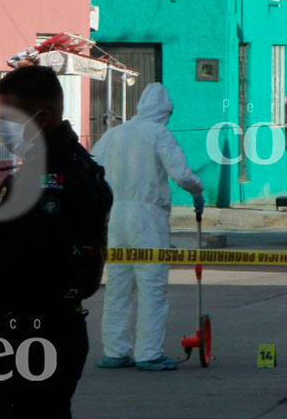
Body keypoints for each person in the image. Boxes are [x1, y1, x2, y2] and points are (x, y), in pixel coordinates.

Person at [0, 66, 113, 419]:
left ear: (42, 117)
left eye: (8, 117)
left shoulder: (47, 177)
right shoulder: (69, 163)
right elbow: (31, 237)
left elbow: (19, 260)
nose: (2, 127)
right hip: (45, 328)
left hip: (35, 331)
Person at [91, 83, 205, 371]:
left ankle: (116, 350)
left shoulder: (113, 135)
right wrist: (197, 190)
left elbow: (92, 170)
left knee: (118, 285)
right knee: (152, 285)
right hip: (148, 218)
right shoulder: (159, 134)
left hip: (115, 215)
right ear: (165, 112)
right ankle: (148, 353)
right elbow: (180, 174)